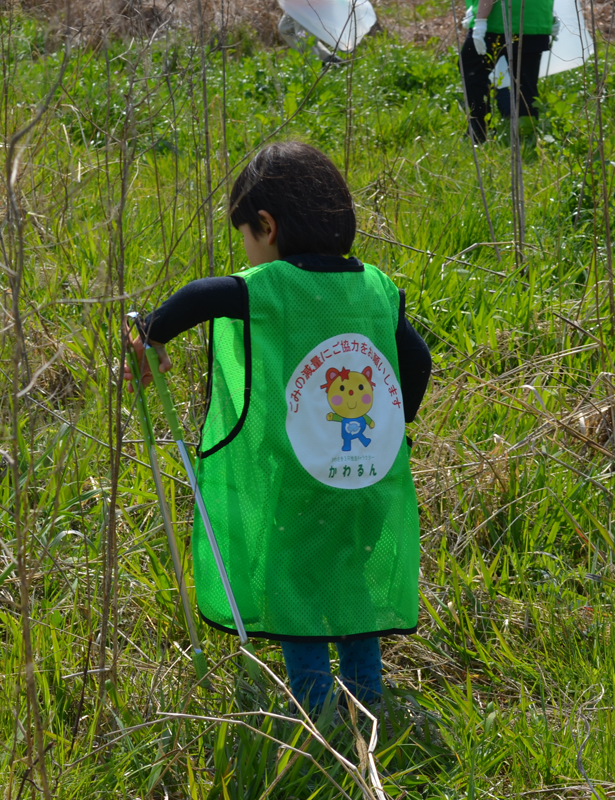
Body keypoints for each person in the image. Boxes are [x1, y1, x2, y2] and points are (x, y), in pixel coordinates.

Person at [126, 142, 431, 713]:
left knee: (294, 589)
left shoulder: (272, 288)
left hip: (302, 485)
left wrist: (152, 332)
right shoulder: (376, 288)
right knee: (353, 580)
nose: (246, 251)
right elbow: (418, 362)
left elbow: (200, 296)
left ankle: (315, 714)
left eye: (244, 235)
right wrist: (397, 429)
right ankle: (367, 698)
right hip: (369, 479)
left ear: (265, 225)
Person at [460, 0, 558, 143]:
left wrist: (480, 20)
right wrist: (552, 13)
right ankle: (527, 136)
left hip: (499, 20)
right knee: (526, 83)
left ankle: (479, 131)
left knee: (472, 72)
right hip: (535, 19)